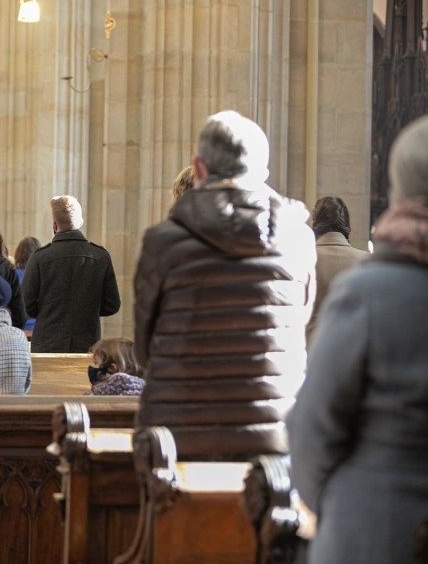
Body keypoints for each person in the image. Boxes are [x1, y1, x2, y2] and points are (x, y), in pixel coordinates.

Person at [286, 115, 428, 564]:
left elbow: (311, 430)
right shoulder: (362, 268)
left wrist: (333, 501)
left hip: (376, 528)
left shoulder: (370, 292)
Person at [133, 110, 316, 456]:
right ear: (263, 171)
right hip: (275, 439)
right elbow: (298, 327)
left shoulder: (162, 242)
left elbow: (145, 349)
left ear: (198, 168)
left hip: (178, 440)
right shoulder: (299, 240)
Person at [22, 195, 120, 352]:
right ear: (80, 222)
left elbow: (26, 305)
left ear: (54, 225)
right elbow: (112, 305)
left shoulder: (40, 257)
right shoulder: (100, 256)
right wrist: (88, 308)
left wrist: (47, 312)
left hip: (47, 345)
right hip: (87, 344)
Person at [306, 196, 368, 341]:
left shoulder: (303, 258)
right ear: (346, 225)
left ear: (316, 223)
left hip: (310, 350)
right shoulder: (366, 261)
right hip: (354, 350)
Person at [13, 236, 41, 333]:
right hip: (38, 328)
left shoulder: (12, 275)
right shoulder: (41, 275)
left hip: (17, 329)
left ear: (18, 254)